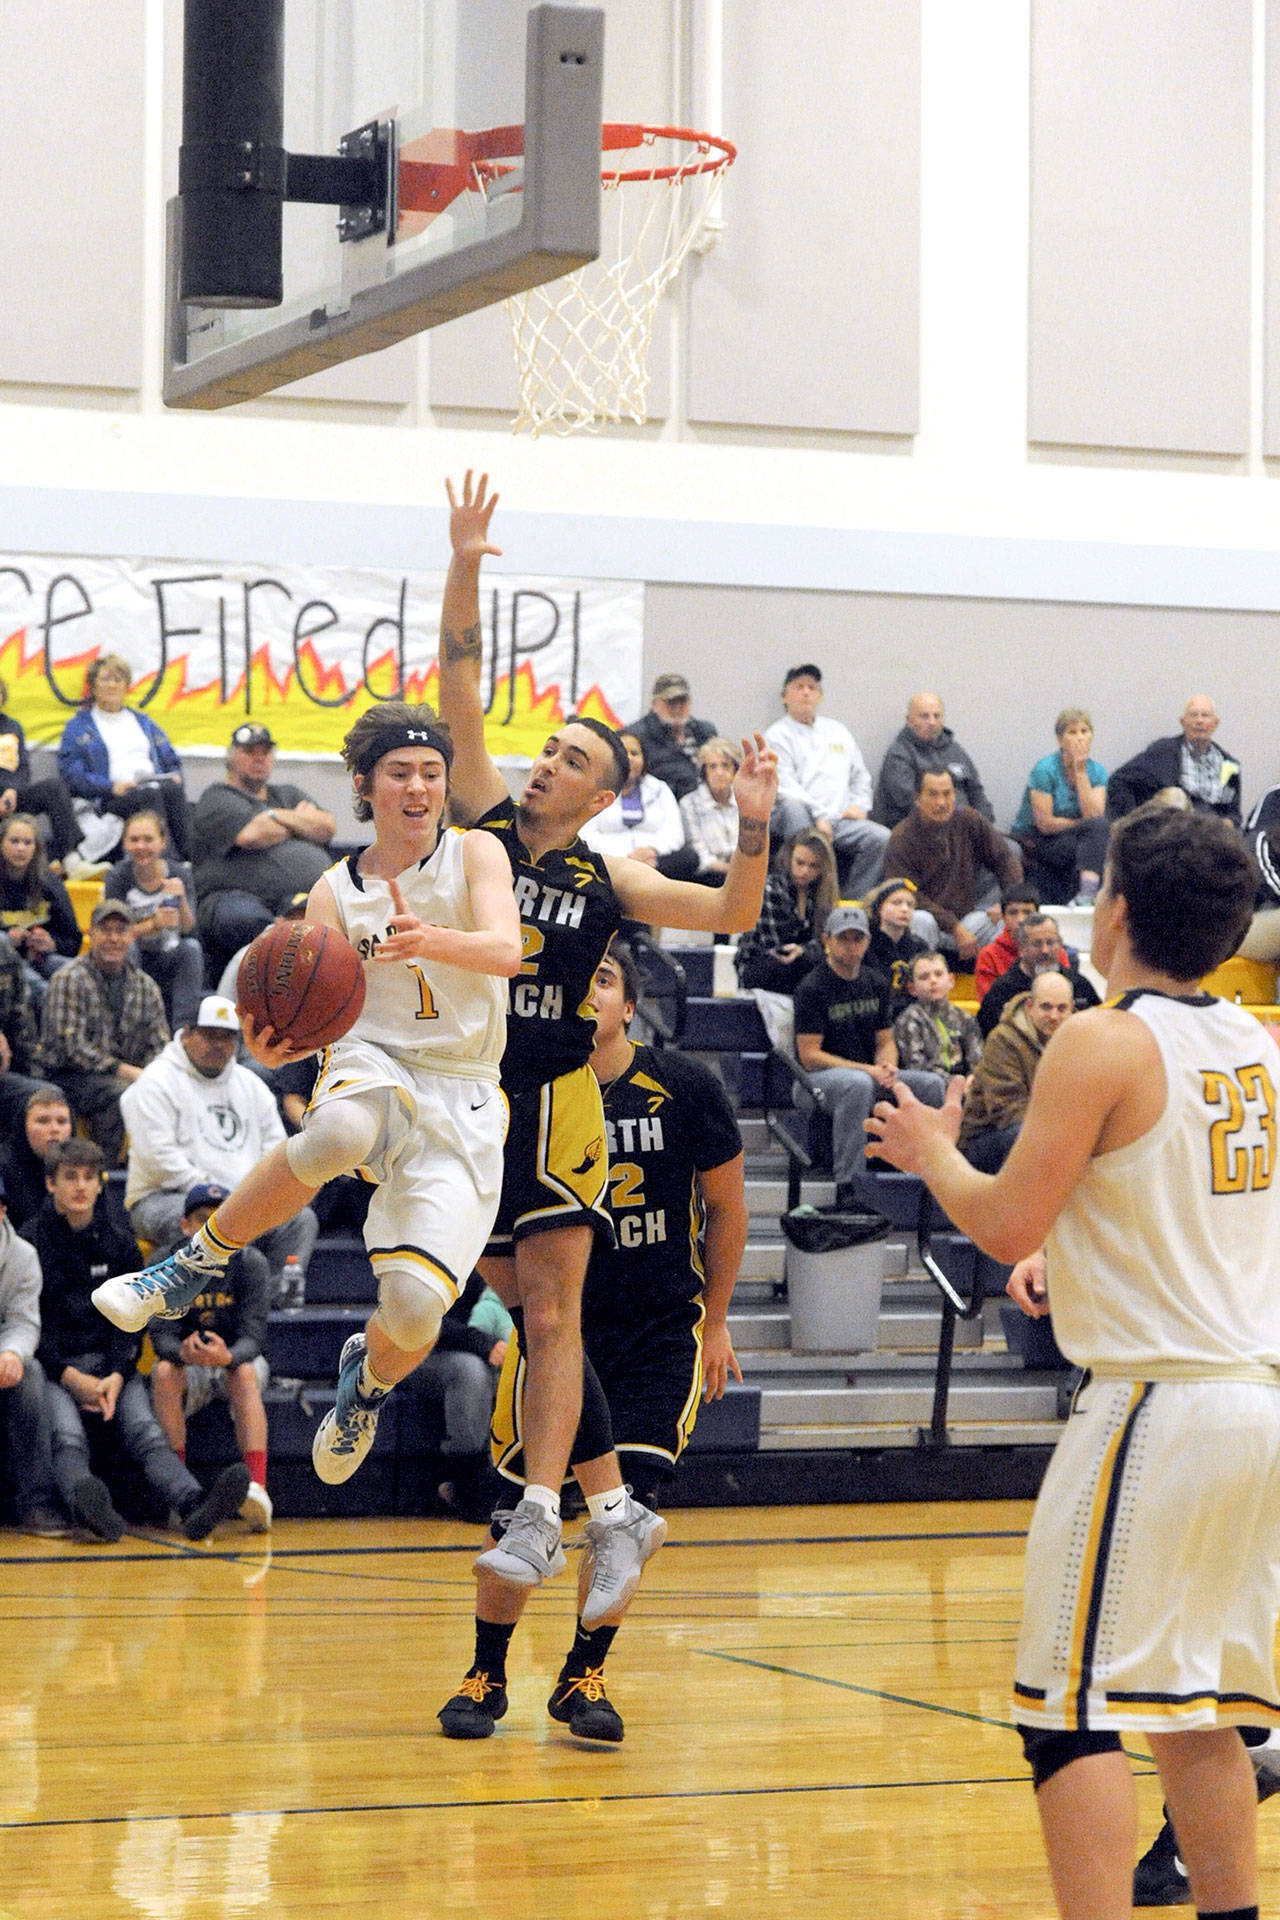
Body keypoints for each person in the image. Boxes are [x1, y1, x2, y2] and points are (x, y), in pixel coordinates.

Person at [866, 802, 1277, 1920]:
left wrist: (930, 1152)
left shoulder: (1099, 1037)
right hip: (1253, 1405)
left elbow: (1001, 1222)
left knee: (1064, 1709)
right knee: (1192, 1707)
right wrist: (1082, 1250)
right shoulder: (1256, 1041)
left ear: (1116, 909)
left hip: (1159, 1407)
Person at [430, 469, 775, 1601]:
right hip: (466, 1097)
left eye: (570, 759)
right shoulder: (482, 818)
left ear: (600, 793)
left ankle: (545, 1515)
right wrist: (466, 562)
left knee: (546, 1310)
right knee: (485, 1303)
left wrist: (759, 827)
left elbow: (730, 911)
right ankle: (608, 1508)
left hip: (555, 1102)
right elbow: (459, 682)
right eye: (546, 751)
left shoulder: (607, 873)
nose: (543, 763)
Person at [94, 698, 524, 1508]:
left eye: (432, 772)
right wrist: (284, 1048)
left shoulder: (476, 858)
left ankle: (364, 1385)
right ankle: (190, 1265)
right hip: (375, 1060)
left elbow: (506, 950)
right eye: (401, 772)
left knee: (416, 1309)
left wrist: (432, 938)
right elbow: (325, 1016)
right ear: (365, 784)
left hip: (464, 1089)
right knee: (334, 1133)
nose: (419, 786)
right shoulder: (333, 892)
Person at [439, 942, 747, 1743]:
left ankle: (582, 1676)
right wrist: (517, 1321)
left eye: (602, 980)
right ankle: (487, 1670)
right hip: (554, 1328)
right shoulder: (526, 1091)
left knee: (631, 1514)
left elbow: (728, 1208)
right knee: (516, 1512)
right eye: (578, 982)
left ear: (627, 1004)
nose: (588, 993)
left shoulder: (684, 1085)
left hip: (655, 1333)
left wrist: (716, 1320)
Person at [29, 1139, 248, 1542]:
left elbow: (131, 1324)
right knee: (67, 1437)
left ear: (100, 1185)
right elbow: (32, 1326)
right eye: (70, 1177)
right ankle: (87, 1507)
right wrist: (69, 1376)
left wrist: (115, 1373)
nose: (80, 1186)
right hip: (57, 1368)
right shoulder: (31, 1245)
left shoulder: (121, 1244)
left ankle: (193, 1504)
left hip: (113, 1367)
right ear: (50, 1184)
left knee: (146, 1432)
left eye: (89, 1177)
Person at [120, 993, 318, 1296]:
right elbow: (158, 1158)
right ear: (187, 1034)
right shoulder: (156, 1080)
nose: (219, 1045)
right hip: (164, 1197)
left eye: (227, 1037)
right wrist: (220, 1197)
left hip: (243, 1199)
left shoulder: (250, 1085)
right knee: (201, 1220)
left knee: (300, 1220)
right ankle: (201, 1305)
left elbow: (277, 1150)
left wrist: (249, 1196)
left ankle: (269, 1305)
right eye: (210, 1035)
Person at [794, 903, 945, 1211]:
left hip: (865, 1073)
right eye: (844, 938)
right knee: (857, 1084)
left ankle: (937, 1173)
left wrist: (887, 1065)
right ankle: (848, 1185)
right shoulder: (812, 987)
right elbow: (809, 1056)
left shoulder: (875, 982)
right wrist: (869, 1070)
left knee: (932, 1085)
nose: (852, 946)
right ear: (827, 940)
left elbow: (885, 1040)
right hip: (813, 1083)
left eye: (858, 939)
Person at [147, 1182, 273, 1533]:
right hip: (188, 1366)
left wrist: (227, 1355)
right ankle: (180, 1493)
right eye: (204, 1221)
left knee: (245, 1371)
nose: (214, 1231)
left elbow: (255, 1337)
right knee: (164, 1372)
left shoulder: (251, 1263)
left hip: (234, 1363)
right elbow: (160, 1337)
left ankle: (258, 1492)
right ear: (185, 1225)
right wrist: (183, 1352)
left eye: (222, 1222)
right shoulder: (164, 1263)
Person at [191, 722, 336, 984]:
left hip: (290, 898)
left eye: (265, 752)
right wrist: (299, 824)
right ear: (232, 757)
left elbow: (326, 826)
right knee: (248, 919)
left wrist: (275, 816)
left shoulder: (287, 794)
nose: (259, 758)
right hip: (230, 898)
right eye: (249, 752)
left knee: (327, 916)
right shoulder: (217, 797)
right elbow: (251, 835)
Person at [37, 897, 169, 1165]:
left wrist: (153, 1075)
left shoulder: (146, 987)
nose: (113, 938)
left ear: (132, 936)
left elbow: (160, 1044)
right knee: (119, 1093)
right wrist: (127, 1071)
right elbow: (70, 1045)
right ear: (91, 933)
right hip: (67, 1076)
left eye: (121, 931)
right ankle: (104, 1173)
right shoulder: (68, 978)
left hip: (127, 1078)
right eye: (105, 930)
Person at [765, 663, 889, 896]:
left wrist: (860, 805)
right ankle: (801, 898)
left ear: (819, 696)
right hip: (803, 817)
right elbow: (785, 785)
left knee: (881, 838)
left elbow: (860, 775)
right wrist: (820, 815)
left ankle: (853, 903)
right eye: (799, 687)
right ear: (785, 696)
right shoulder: (777, 735)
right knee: (793, 808)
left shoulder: (838, 731)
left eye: (812, 687)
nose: (806, 692)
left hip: (840, 819)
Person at [399, 1270, 512, 1523]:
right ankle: (468, 1483)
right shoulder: (434, 1251)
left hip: (478, 1347)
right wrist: (480, 1342)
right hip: (413, 1352)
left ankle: (550, 1484)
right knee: (469, 1370)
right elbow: (420, 1320)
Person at [57, 653, 191, 861]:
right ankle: (164, 862)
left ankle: (190, 860)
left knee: (172, 789)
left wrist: (175, 775)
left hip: (152, 786)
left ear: (126, 686)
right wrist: (110, 786)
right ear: (93, 686)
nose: (112, 685)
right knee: (149, 796)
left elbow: (170, 759)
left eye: (118, 680)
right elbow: (72, 773)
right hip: (111, 797)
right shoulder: (79, 726)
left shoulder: (143, 722)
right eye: (105, 679)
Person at [883, 768, 1023, 967]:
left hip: (968, 921)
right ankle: (920, 982)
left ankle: (997, 987)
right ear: (917, 798)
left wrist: (1008, 902)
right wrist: (954, 926)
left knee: (1008, 918)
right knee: (919, 919)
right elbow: (909, 894)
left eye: (947, 794)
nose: (941, 803)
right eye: (933, 794)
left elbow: (1005, 859)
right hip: (930, 924)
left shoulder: (969, 820)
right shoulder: (901, 838)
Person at [0, 1170, 65, 1536]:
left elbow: (25, 1322)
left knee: (31, 1375)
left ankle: (37, 1503)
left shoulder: (23, 1257)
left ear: (2, 1211)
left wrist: (11, 1353)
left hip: (1, 1353)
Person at [958, 970, 1074, 1172]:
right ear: (1030, 1007)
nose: (1054, 1016)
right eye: (1046, 1007)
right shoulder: (1003, 1040)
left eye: (1062, 1008)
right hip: (987, 1140)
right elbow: (1008, 1109)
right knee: (1026, 1136)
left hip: (1047, 1133)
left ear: (1072, 1009)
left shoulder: (1078, 1041)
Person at [102, 808, 203, 1032]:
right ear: (125, 844)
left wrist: (182, 900)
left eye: (148, 839)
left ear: (162, 843)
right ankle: (132, 1028)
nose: (141, 846)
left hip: (168, 954)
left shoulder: (179, 873)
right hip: (134, 954)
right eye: (134, 840)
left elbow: (189, 927)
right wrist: (154, 924)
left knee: (192, 949)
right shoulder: (118, 877)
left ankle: (182, 1032)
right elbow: (114, 934)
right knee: (126, 949)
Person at [1011, 707, 1109, 904]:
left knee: (1100, 831)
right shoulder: (1045, 769)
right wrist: (1081, 825)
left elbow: (1095, 816)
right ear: (1060, 739)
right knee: (1094, 835)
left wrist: (1080, 772)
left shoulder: (1097, 771)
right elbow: (1045, 823)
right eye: (1072, 732)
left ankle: (1086, 897)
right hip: (1038, 839)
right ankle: (1087, 894)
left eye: (1084, 731)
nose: (1080, 738)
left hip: (1073, 838)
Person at [1106, 694, 1243, 826]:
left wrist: (1224, 826)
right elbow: (1119, 781)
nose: (1199, 721)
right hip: (1171, 832)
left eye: (1205, 715)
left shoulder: (1229, 766)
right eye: (1194, 715)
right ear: (1183, 722)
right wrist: (1133, 825)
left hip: (1210, 835)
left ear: (1215, 723)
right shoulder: (1163, 752)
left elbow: (1233, 814)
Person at [579, 730, 697, 881]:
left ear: (644, 759)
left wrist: (650, 850)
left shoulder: (660, 788)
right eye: (623, 752)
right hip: (611, 862)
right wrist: (627, 857)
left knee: (689, 858)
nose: (629, 758)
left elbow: (674, 833)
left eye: (635, 753)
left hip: (653, 861)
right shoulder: (595, 788)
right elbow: (586, 834)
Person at [734, 829, 837, 995]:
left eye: (813, 866)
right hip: (762, 964)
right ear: (789, 859)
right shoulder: (771, 889)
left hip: (801, 964)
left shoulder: (819, 895)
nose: (805, 871)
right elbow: (779, 948)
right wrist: (808, 950)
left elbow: (827, 942)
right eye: (800, 863)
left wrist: (804, 950)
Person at [871, 691, 996, 828]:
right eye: (924, 716)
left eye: (937, 716)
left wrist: (983, 826)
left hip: (968, 830)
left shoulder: (955, 750)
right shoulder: (899, 755)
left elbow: (976, 792)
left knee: (1011, 847)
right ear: (909, 720)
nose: (932, 722)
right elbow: (909, 805)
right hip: (923, 833)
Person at [0, 675, 84, 874]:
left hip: (9, 798)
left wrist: (12, 791)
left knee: (53, 788)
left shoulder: (12, 727)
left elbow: (22, 769)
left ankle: (71, 858)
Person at [977, 912, 1100, 1039]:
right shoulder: (1001, 991)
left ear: (1060, 945)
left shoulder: (1080, 986)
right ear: (1022, 949)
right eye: (1037, 944)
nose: (1045, 950)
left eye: (1050, 942)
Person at [0, 812, 81, 1002]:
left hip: (42, 959)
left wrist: (52, 943)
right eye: (14, 841)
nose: (20, 848)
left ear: (36, 848)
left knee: (80, 977)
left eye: (27, 842)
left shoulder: (50, 883)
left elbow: (74, 941)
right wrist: (9, 938)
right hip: (5, 966)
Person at [627, 673, 718, 800]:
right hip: (661, 806)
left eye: (682, 700)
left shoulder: (705, 732)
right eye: (671, 702)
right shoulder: (637, 736)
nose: (677, 707)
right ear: (654, 704)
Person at [893, 951, 983, 1080]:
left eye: (938, 974)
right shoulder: (909, 1020)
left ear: (951, 980)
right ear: (912, 988)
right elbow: (917, 1068)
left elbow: (977, 1060)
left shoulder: (964, 1017)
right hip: (930, 1085)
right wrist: (954, 1083)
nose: (933, 981)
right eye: (924, 977)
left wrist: (972, 1079)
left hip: (965, 1085)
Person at [0, 1084, 71, 1231]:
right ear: (23, 1126)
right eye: (43, 1121)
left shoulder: (84, 1165)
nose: (54, 1129)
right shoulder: (3, 1165)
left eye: (62, 1121)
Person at [863, 876, 935, 1011]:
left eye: (910, 904)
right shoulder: (866, 945)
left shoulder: (919, 947)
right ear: (879, 909)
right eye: (896, 903)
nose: (904, 909)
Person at [678, 736, 741, 886]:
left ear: (735, 770)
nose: (719, 772)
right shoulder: (689, 804)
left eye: (725, 766)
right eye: (712, 766)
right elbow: (699, 856)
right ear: (704, 772)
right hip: (707, 876)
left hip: (741, 870)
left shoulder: (744, 801)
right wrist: (730, 869)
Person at [0, 931, 46, 1133]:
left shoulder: (5, 956)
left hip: (6, 1076)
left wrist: (39, 1081)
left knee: (49, 1101)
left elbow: (23, 1030)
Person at [973, 884, 1042, 999]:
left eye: (1027, 913)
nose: (1020, 920)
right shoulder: (988, 955)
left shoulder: (1055, 952)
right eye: (1013, 913)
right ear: (1003, 918)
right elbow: (989, 1005)